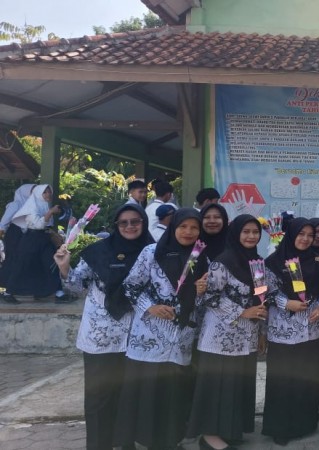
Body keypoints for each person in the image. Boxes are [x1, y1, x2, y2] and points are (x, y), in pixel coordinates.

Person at [52, 204, 154, 450]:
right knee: (99, 396)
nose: (130, 226)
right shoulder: (98, 251)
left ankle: (125, 442)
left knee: (129, 396)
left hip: (138, 338)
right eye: (123, 222)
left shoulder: (152, 252)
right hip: (101, 336)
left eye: (135, 221)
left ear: (144, 222)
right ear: (116, 226)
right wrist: (64, 267)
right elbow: (77, 286)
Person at [115, 208, 208, 450]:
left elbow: (201, 303)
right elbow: (131, 286)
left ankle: (168, 442)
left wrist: (200, 293)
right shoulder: (151, 252)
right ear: (173, 227)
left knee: (173, 394)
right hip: (150, 336)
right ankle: (140, 440)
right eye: (183, 226)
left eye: (194, 227)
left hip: (180, 338)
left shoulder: (200, 258)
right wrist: (151, 307)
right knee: (145, 392)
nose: (188, 232)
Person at [188, 215, 267, 450]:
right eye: (246, 232)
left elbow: (261, 299)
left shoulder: (257, 263)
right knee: (217, 386)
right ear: (236, 234)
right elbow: (210, 297)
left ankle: (229, 431)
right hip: (220, 337)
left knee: (235, 385)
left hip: (247, 336)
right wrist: (243, 312)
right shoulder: (221, 263)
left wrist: (261, 331)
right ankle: (209, 437)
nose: (251, 236)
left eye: (255, 232)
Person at [262, 218, 319, 446]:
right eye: (301, 234)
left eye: (310, 235)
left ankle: (306, 422)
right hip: (284, 330)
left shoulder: (317, 260)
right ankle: (280, 427)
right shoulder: (273, 261)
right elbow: (264, 291)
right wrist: (285, 303)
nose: (306, 239)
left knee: (308, 378)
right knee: (283, 379)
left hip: (311, 329)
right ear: (290, 235)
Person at [6, 184, 63, 301]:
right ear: (38, 194)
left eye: (49, 192)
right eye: (45, 192)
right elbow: (38, 225)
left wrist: (53, 233)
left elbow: (46, 226)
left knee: (51, 263)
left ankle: (59, 292)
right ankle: (8, 293)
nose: (48, 194)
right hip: (31, 240)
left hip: (43, 239)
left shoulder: (44, 205)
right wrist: (50, 212)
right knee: (22, 265)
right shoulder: (31, 207)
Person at [0, 183, 35, 303]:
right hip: (14, 235)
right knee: (13, 261)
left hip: (25, 236)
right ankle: (7, 290)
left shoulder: (33, 205)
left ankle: (11, 288)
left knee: (20, 261)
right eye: (32, 191)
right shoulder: (16, 205)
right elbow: (4, 222)